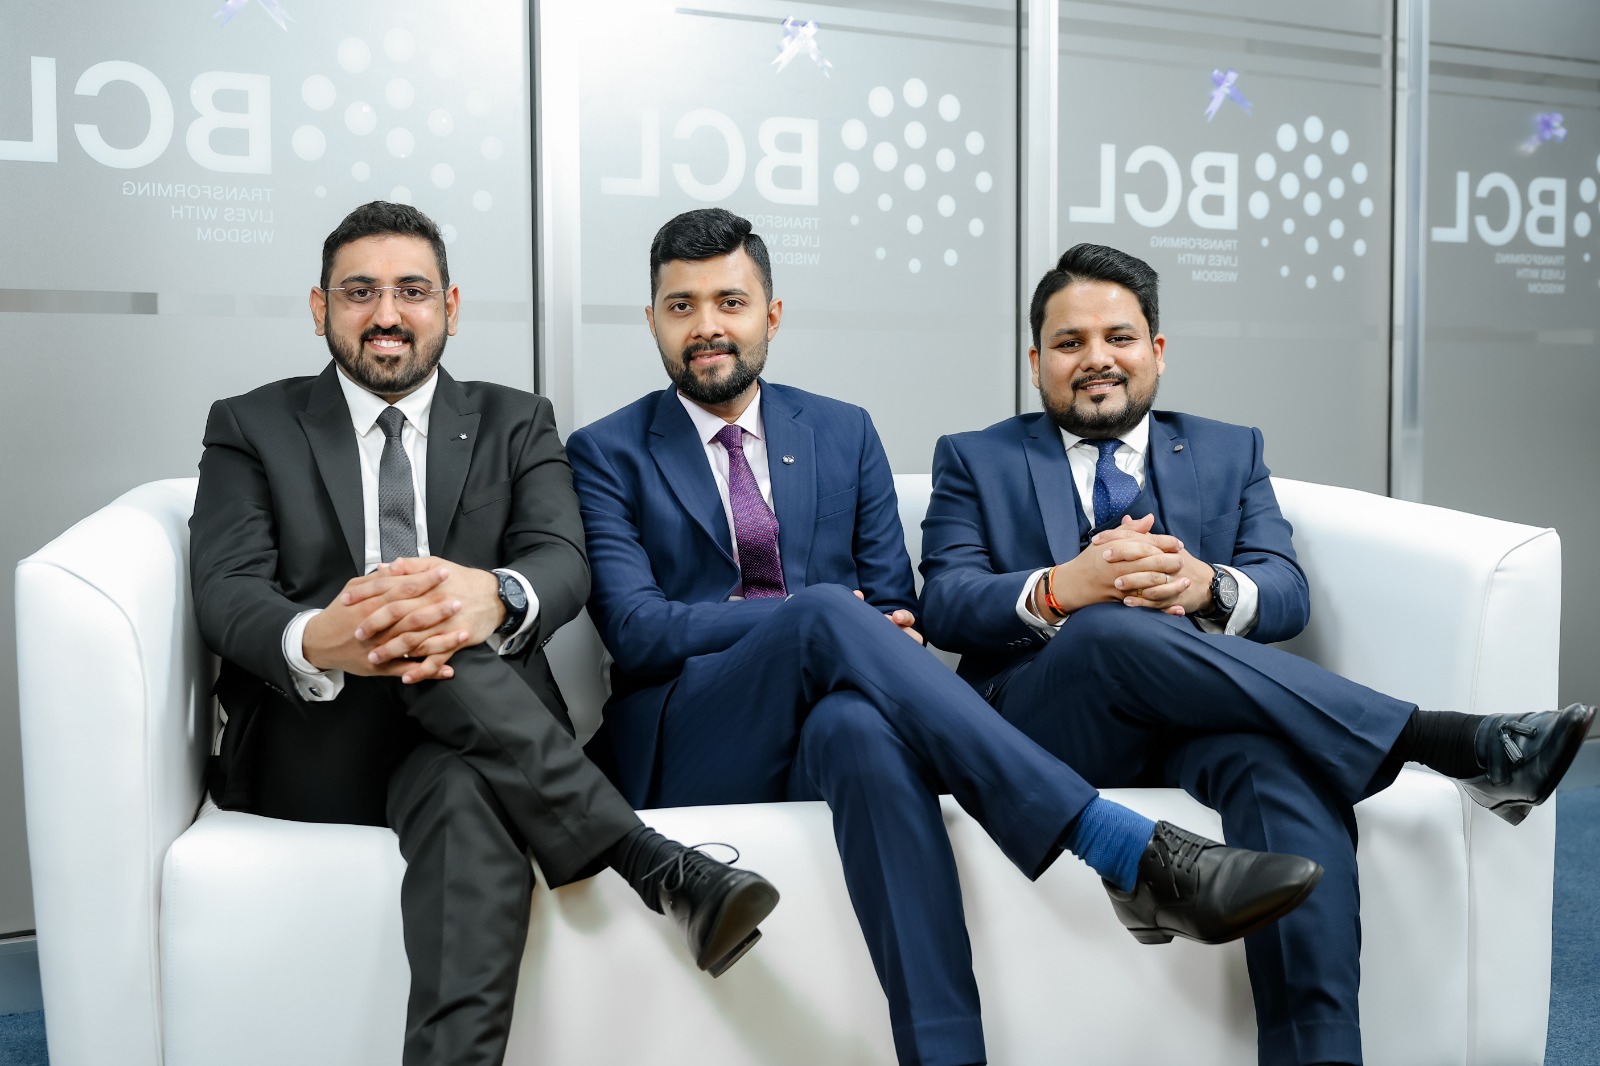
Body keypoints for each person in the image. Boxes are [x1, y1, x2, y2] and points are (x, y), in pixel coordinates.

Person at [566, 207, 1324, 1066]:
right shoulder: (605, 451)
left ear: (770, 314)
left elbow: (899, 606)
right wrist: (815, 615)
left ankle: (947, 1052)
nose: (707, 326)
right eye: (682, 306)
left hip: (825, 719)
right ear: (653, 321)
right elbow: (639, 632)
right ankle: (1113, 843)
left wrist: (851, 619)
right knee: (822, 611)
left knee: (857, 727)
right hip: (693, 737)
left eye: (730, 302)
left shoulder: (842, 430)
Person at [917, 241, 1595, 1066]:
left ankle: (1319, 1051)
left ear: (1156, 350)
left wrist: (1207, 585)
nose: (1097, 358)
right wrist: (1066, 588)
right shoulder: (975, 457)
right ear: (1036, 363)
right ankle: (1440, 738)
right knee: (1108, 628)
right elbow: (946, 603)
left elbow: (1285, 589)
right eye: (1069, 342)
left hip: (1201, 718)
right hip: (1045, 718)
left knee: (1280, 770)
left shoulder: (1228, 449)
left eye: (1119, 337)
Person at [189, 201, 780, 1066]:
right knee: (423, 633)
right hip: (318, 739)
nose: (387, 313)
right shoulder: (251, 425)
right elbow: (226, 590)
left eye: (412, 291)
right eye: (359, 291)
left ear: (451, 307)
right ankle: (650, 860)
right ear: (320, 308)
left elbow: (561, 561)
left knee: (461, 772)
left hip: (474, 748)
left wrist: (490, 598)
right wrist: (324, 637)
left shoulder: (516, 419)